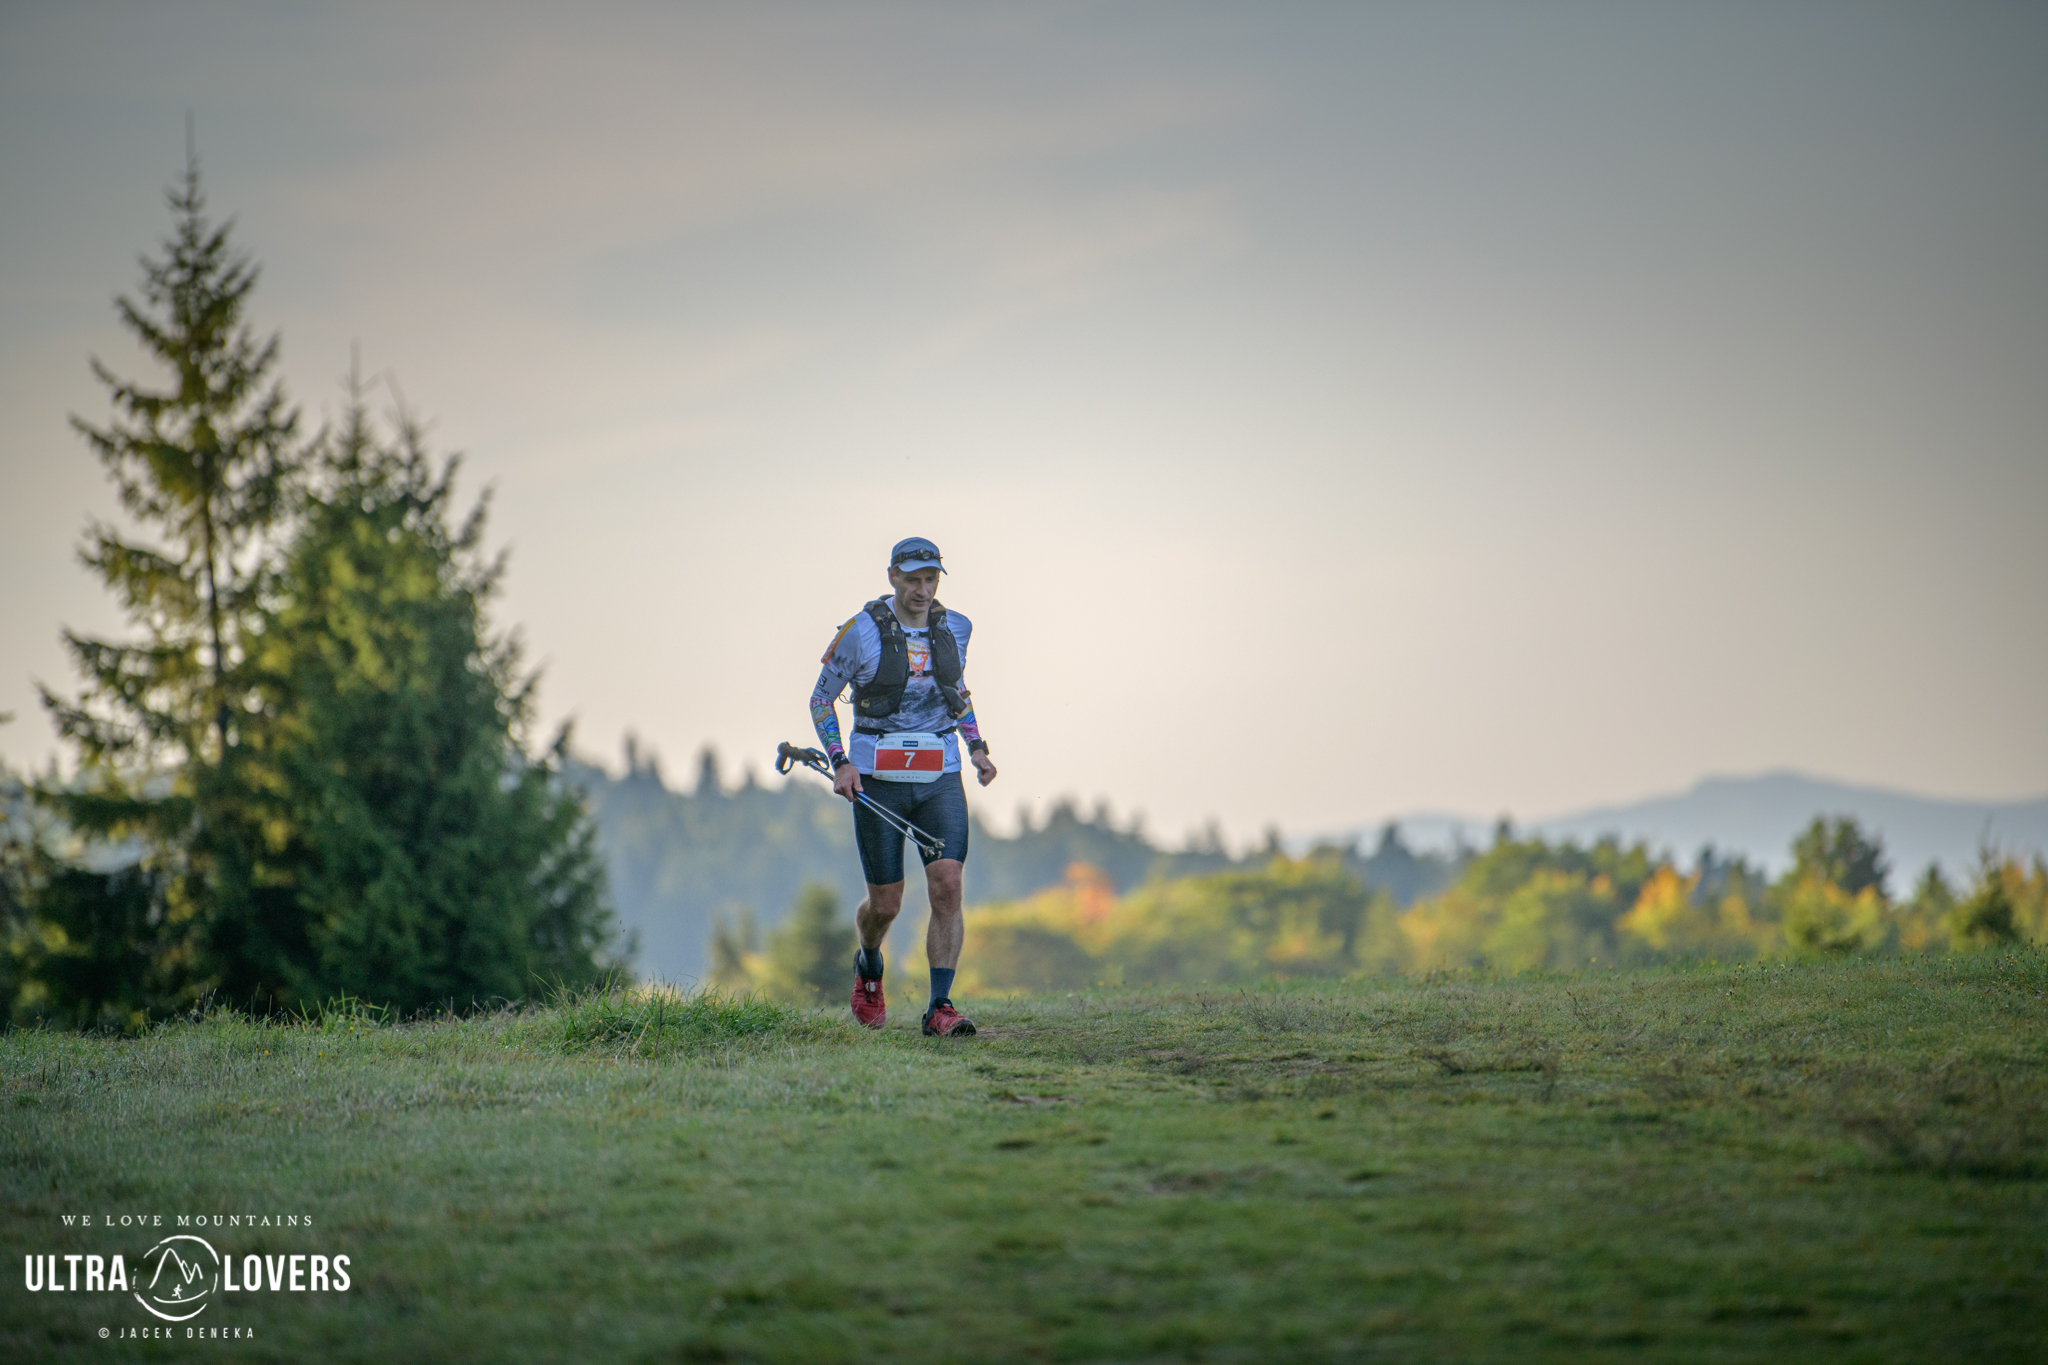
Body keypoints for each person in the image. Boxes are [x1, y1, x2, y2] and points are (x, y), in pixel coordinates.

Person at [809, 536, 996, 1037]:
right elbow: (821, 700)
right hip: (878, 781)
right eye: (913, 580)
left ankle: (940, 1008)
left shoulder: (956, 628)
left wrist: (977, 748)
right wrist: (841, 763)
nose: (922, 590)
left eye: (930, 580)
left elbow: (957, 692)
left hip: (939, 775)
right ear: (893, 576)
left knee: (948, 886)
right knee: (886, 904)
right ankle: (869, 966)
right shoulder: (860, 632)